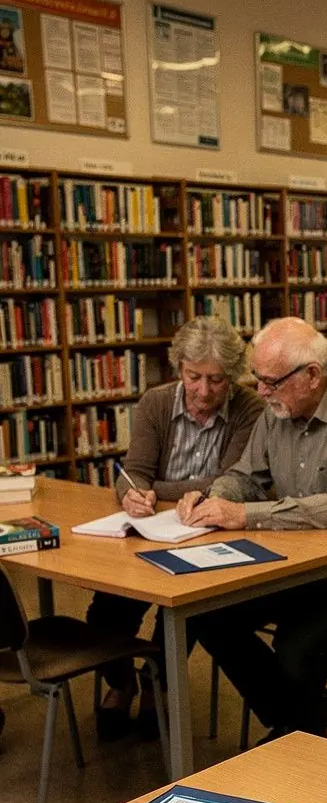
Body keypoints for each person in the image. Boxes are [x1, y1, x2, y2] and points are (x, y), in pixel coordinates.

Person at [177, 317, 327, 739]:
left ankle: (297, 732)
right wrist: (216, 497)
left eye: (271, 382)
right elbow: (247, 476)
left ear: (311, 376)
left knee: (297, 641)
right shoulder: (277, 411)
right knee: (210, 614)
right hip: (303, 557)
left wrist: (245, 515)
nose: (261, 392)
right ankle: (302, 714)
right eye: (259, 380)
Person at [86, 316, 263, 739]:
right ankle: (123, 681)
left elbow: (233, 479)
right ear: (178, 368)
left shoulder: (249, 409)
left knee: (182, 612)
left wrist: (155, 487)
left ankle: (156, 686)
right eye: (194, 377)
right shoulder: (157, 403)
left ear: (233, 377)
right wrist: (131, 493)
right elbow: (132, 475)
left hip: (216, 537)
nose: (204, 391)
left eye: (217, 380)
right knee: (105, 612)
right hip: (154, 531)